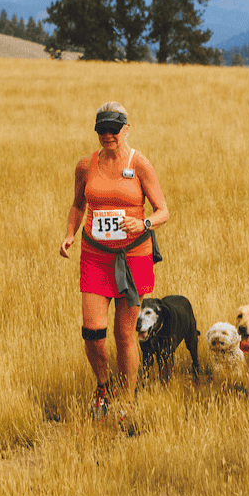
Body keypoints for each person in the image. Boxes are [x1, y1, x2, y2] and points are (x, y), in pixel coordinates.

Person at [60, 102, 169, 427]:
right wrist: (69, 234)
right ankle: (103, 388)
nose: (107, 135)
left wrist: (145, 224)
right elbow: (78, 204)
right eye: (102, 129)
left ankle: (128, 398)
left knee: (124, 334)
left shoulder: (141, 164)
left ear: (126, 128)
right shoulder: (86, 165)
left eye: (113, 129)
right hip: (95, 256)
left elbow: (163, 210)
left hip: (133, 258)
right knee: (92, 331)